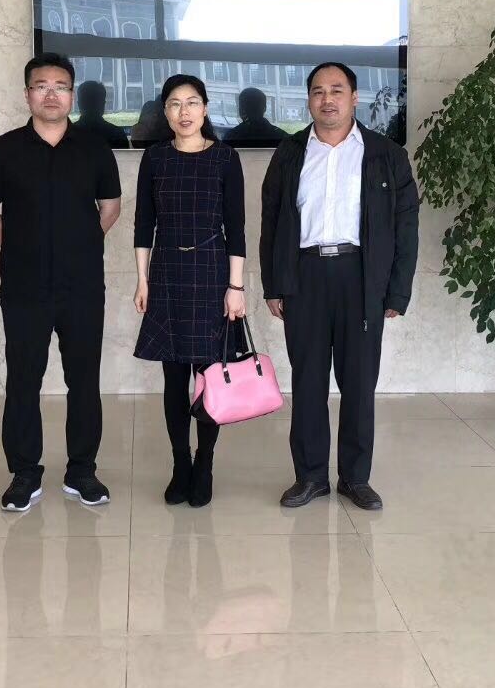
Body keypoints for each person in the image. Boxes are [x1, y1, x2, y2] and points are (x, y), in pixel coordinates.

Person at [260, 62, 419, 511]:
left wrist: (397, 290)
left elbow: (406, 226)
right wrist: (274, 284)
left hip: (362, 276)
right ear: (309, 100)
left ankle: (355, 478)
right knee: (308, 381)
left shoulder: (386, 153)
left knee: (359, 382)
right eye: (317, 91)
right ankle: (310, 477)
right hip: (305, 276)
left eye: (336, 90)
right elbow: (271, 221)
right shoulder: (289, 153)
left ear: (354, 97)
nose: (326, 99)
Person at [0, 53, 123, 513]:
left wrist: (81, 243)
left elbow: (111, 206)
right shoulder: (3, 149)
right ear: (27, 94)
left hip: (82, 287)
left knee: (84, 380)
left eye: (61, 86)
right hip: (24, 287)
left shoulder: (95, 148)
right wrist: (22, 246)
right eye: (42, 86)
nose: (51, 94)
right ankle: (24, 473)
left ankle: (82, 471)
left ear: (72, 95)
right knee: (23, 380)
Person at [133, 75, 246, 508]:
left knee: (210, 376)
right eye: (175, 104)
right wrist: (142, 278)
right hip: (166, 272)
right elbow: (144, 224)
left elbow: (236, 227)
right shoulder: (155, 158)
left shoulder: (225, 158)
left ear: (205, 108)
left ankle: (205, 462)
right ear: (165, 112)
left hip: (212, 273)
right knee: (174, 377)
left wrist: (235, 286)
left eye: (193, 102)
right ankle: (180, 463)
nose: (184, 111)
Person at [75, 80, 130, 149]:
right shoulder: (117, 134)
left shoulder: (66, 135)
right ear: (103, 104)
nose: (91, 105)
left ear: (79, 104)